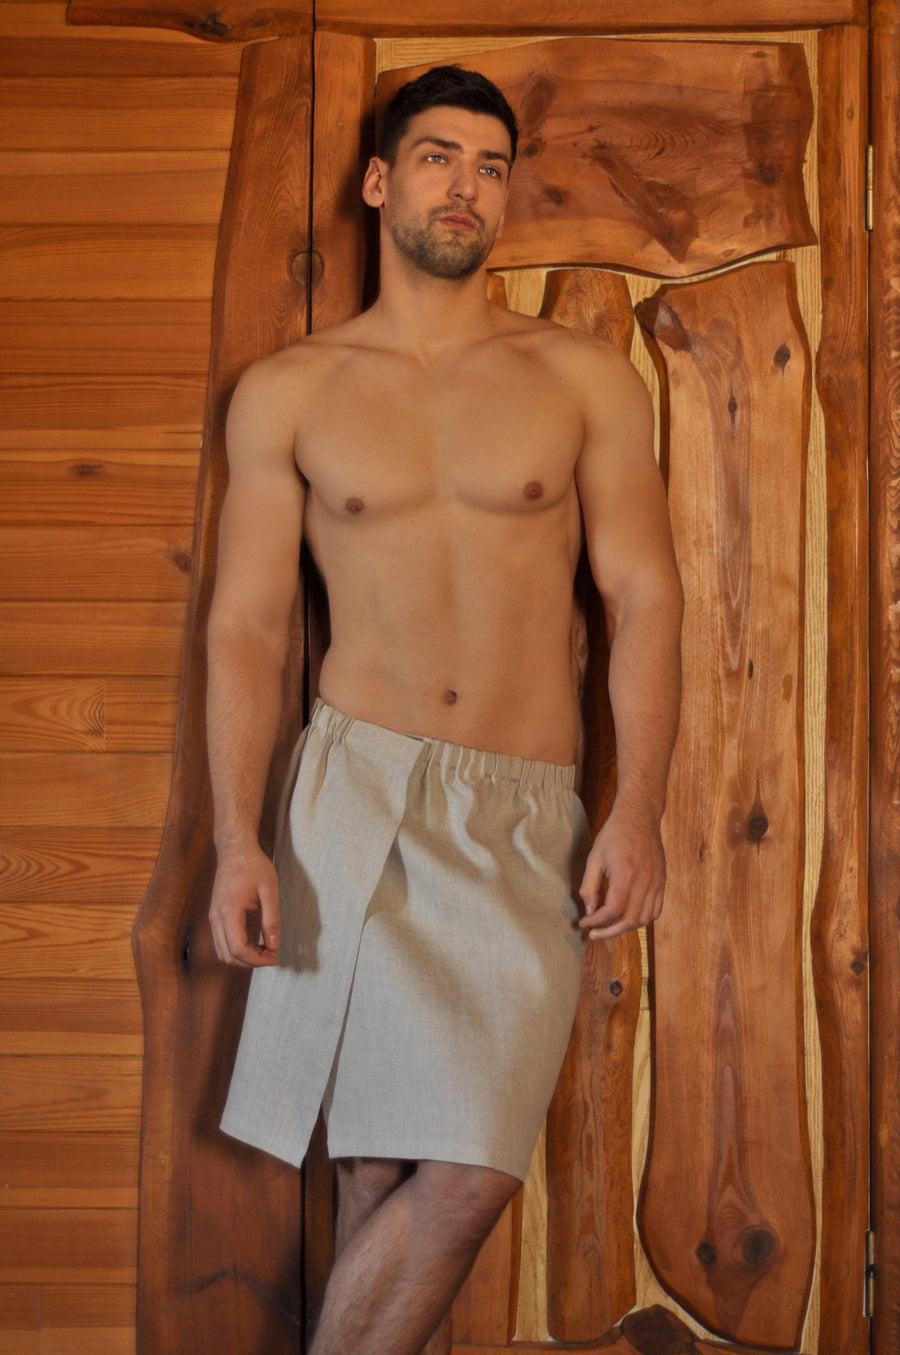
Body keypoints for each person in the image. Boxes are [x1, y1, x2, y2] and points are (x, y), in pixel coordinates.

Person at [207, 65, 683, 1355]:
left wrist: (637, 808)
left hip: (520, 812)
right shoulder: (292, 390)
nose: (464, 187)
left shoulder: (581, 378)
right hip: (353, 796)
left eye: (489, 166)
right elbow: (246, 626)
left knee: (468, 1173)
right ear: (379, 182)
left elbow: (644, 596)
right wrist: (239, 841)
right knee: (374, 1165)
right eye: (436, 157)